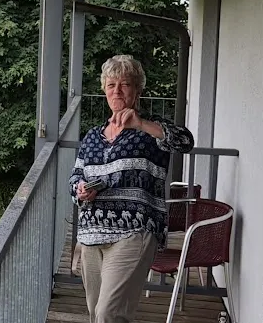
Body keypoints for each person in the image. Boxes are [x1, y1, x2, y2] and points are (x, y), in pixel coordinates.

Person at [69, 54, 194, 323]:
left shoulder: (150, 129)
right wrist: (80, 190)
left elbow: (185, 141)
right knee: (97, 314)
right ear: (104, 90)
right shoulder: (92, 136)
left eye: (125, 84)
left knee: (109, 313)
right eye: (111, 85)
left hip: (133, 232)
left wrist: (141, 124)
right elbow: (76, 176)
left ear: (137, 90)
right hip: (91, 234)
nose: (117, 90)